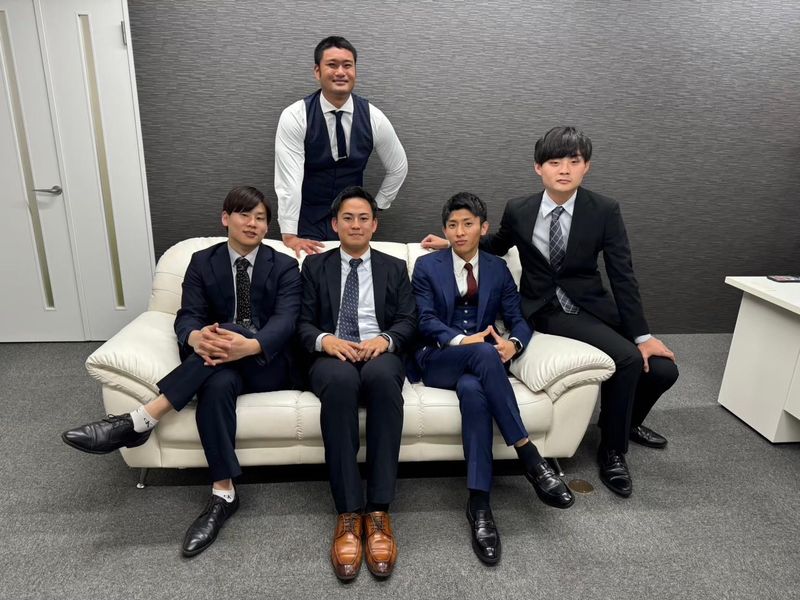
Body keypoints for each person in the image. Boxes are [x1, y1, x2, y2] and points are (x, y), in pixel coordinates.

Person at [422, 127, 679, 498]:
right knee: (625, 359)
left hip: (590, 304)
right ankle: (612, 450)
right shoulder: (520, 209)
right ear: (538, 167)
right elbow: (496, 243)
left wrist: (643, 335)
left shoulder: (603, 210)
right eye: (554, 162)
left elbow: (622, 274)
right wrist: (452, 242)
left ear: (586, 166)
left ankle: (625, 423)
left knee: (664, 370)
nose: (564, 170)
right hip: (544, 309)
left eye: (574, 161)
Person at [62, 186, 302, 556]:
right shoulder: (202, 262)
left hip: (267, 363)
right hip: (217, 365)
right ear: (226, 218)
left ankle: (142, 419)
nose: (252, 223)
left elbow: (287, 321)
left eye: (260, 218)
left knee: (231, 330)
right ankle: (223, 493)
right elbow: (187, 316)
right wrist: (195, 337)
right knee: (217, 385)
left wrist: (248, 344)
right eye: (244, 214)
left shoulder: (284, 265)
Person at [413, 192, 573, 565]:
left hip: (479, 368)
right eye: (452, 225)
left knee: (474, 392)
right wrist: (465, 340)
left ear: (483, 228)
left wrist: (513, 345)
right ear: (445, 230)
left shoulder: (497, 268)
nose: (459, 232)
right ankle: (529, 456)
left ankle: (480, 505)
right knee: (484, 352)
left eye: (467, 224)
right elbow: (425, 321)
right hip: (438, 357)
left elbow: (518, 319)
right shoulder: (427, 266)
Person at [297, 185, 416, 580]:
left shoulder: (394, 267)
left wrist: (386, 339)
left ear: (375, 225)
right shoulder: (314, 266)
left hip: (379, 352)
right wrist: (325, 340)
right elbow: (302, 322)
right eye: (347, 218)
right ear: (334, 224)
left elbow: (408, 319)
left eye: (364, 218)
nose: (356, 224)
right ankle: (349, 514)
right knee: (340, 382)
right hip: (332, 356)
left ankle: (378, 511)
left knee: (383, 380)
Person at [275, 36, 408, 255]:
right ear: (317, 71)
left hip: (352, 223)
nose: (340, 72)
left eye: (347, 65)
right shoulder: (295, 116)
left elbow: (398, 167)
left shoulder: (373, 117)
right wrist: (289, 233)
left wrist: (375, 207)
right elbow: (289, 180)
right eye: (332, 65)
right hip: (307, 220)